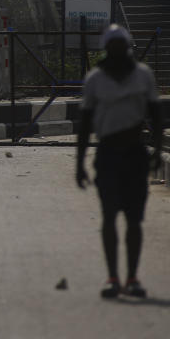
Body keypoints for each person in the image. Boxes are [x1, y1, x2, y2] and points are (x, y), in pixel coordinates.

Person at [77, 24, 163, 299]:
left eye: (120, 46)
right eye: (111, 46)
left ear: (126, 48)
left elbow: (157, 117)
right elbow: (85, 123)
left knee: (134, 220)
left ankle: (133, 277)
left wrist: (158, 151)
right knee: (109, 216)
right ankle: (113, 277)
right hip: (108, 154)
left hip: (135, 153)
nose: (116, 51)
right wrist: (79, 163)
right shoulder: (95, 80)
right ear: (106, 49)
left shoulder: (143, 76)